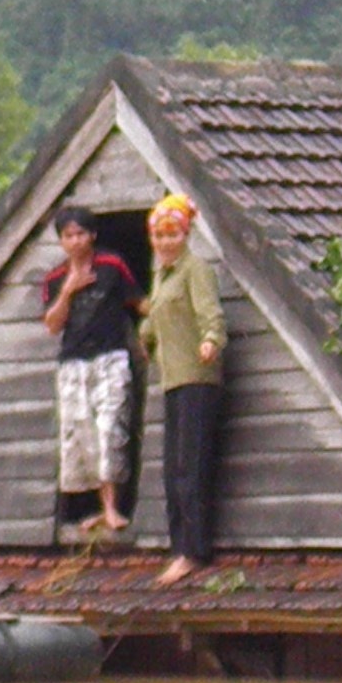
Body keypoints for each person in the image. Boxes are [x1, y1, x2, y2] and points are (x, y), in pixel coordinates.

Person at [138, 193, 227, 587]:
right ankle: (179, 547)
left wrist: (210, 340)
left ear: (185, 235)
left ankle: (194, 550)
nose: (165, 242)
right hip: (171, 378)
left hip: (197, 377)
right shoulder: (160, 276)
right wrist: (145, 337)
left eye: (171, 234)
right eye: (159, 235)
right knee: (172, 469)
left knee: (191, 467)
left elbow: (211, 315)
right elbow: (156, 321)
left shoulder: (195, 270)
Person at [42, 205, 143, 534]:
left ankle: (113, 507)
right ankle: (89, 510)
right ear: (61, 241)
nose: (75, 241)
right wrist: (69, 290)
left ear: (93, 235)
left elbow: (137, 301)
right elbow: (53, 325)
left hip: (110, 356)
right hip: (74, 363)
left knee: (110, 427)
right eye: (68, 235)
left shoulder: (111, 265)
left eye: (80, 234)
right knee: (79, 436)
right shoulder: (55, 279)